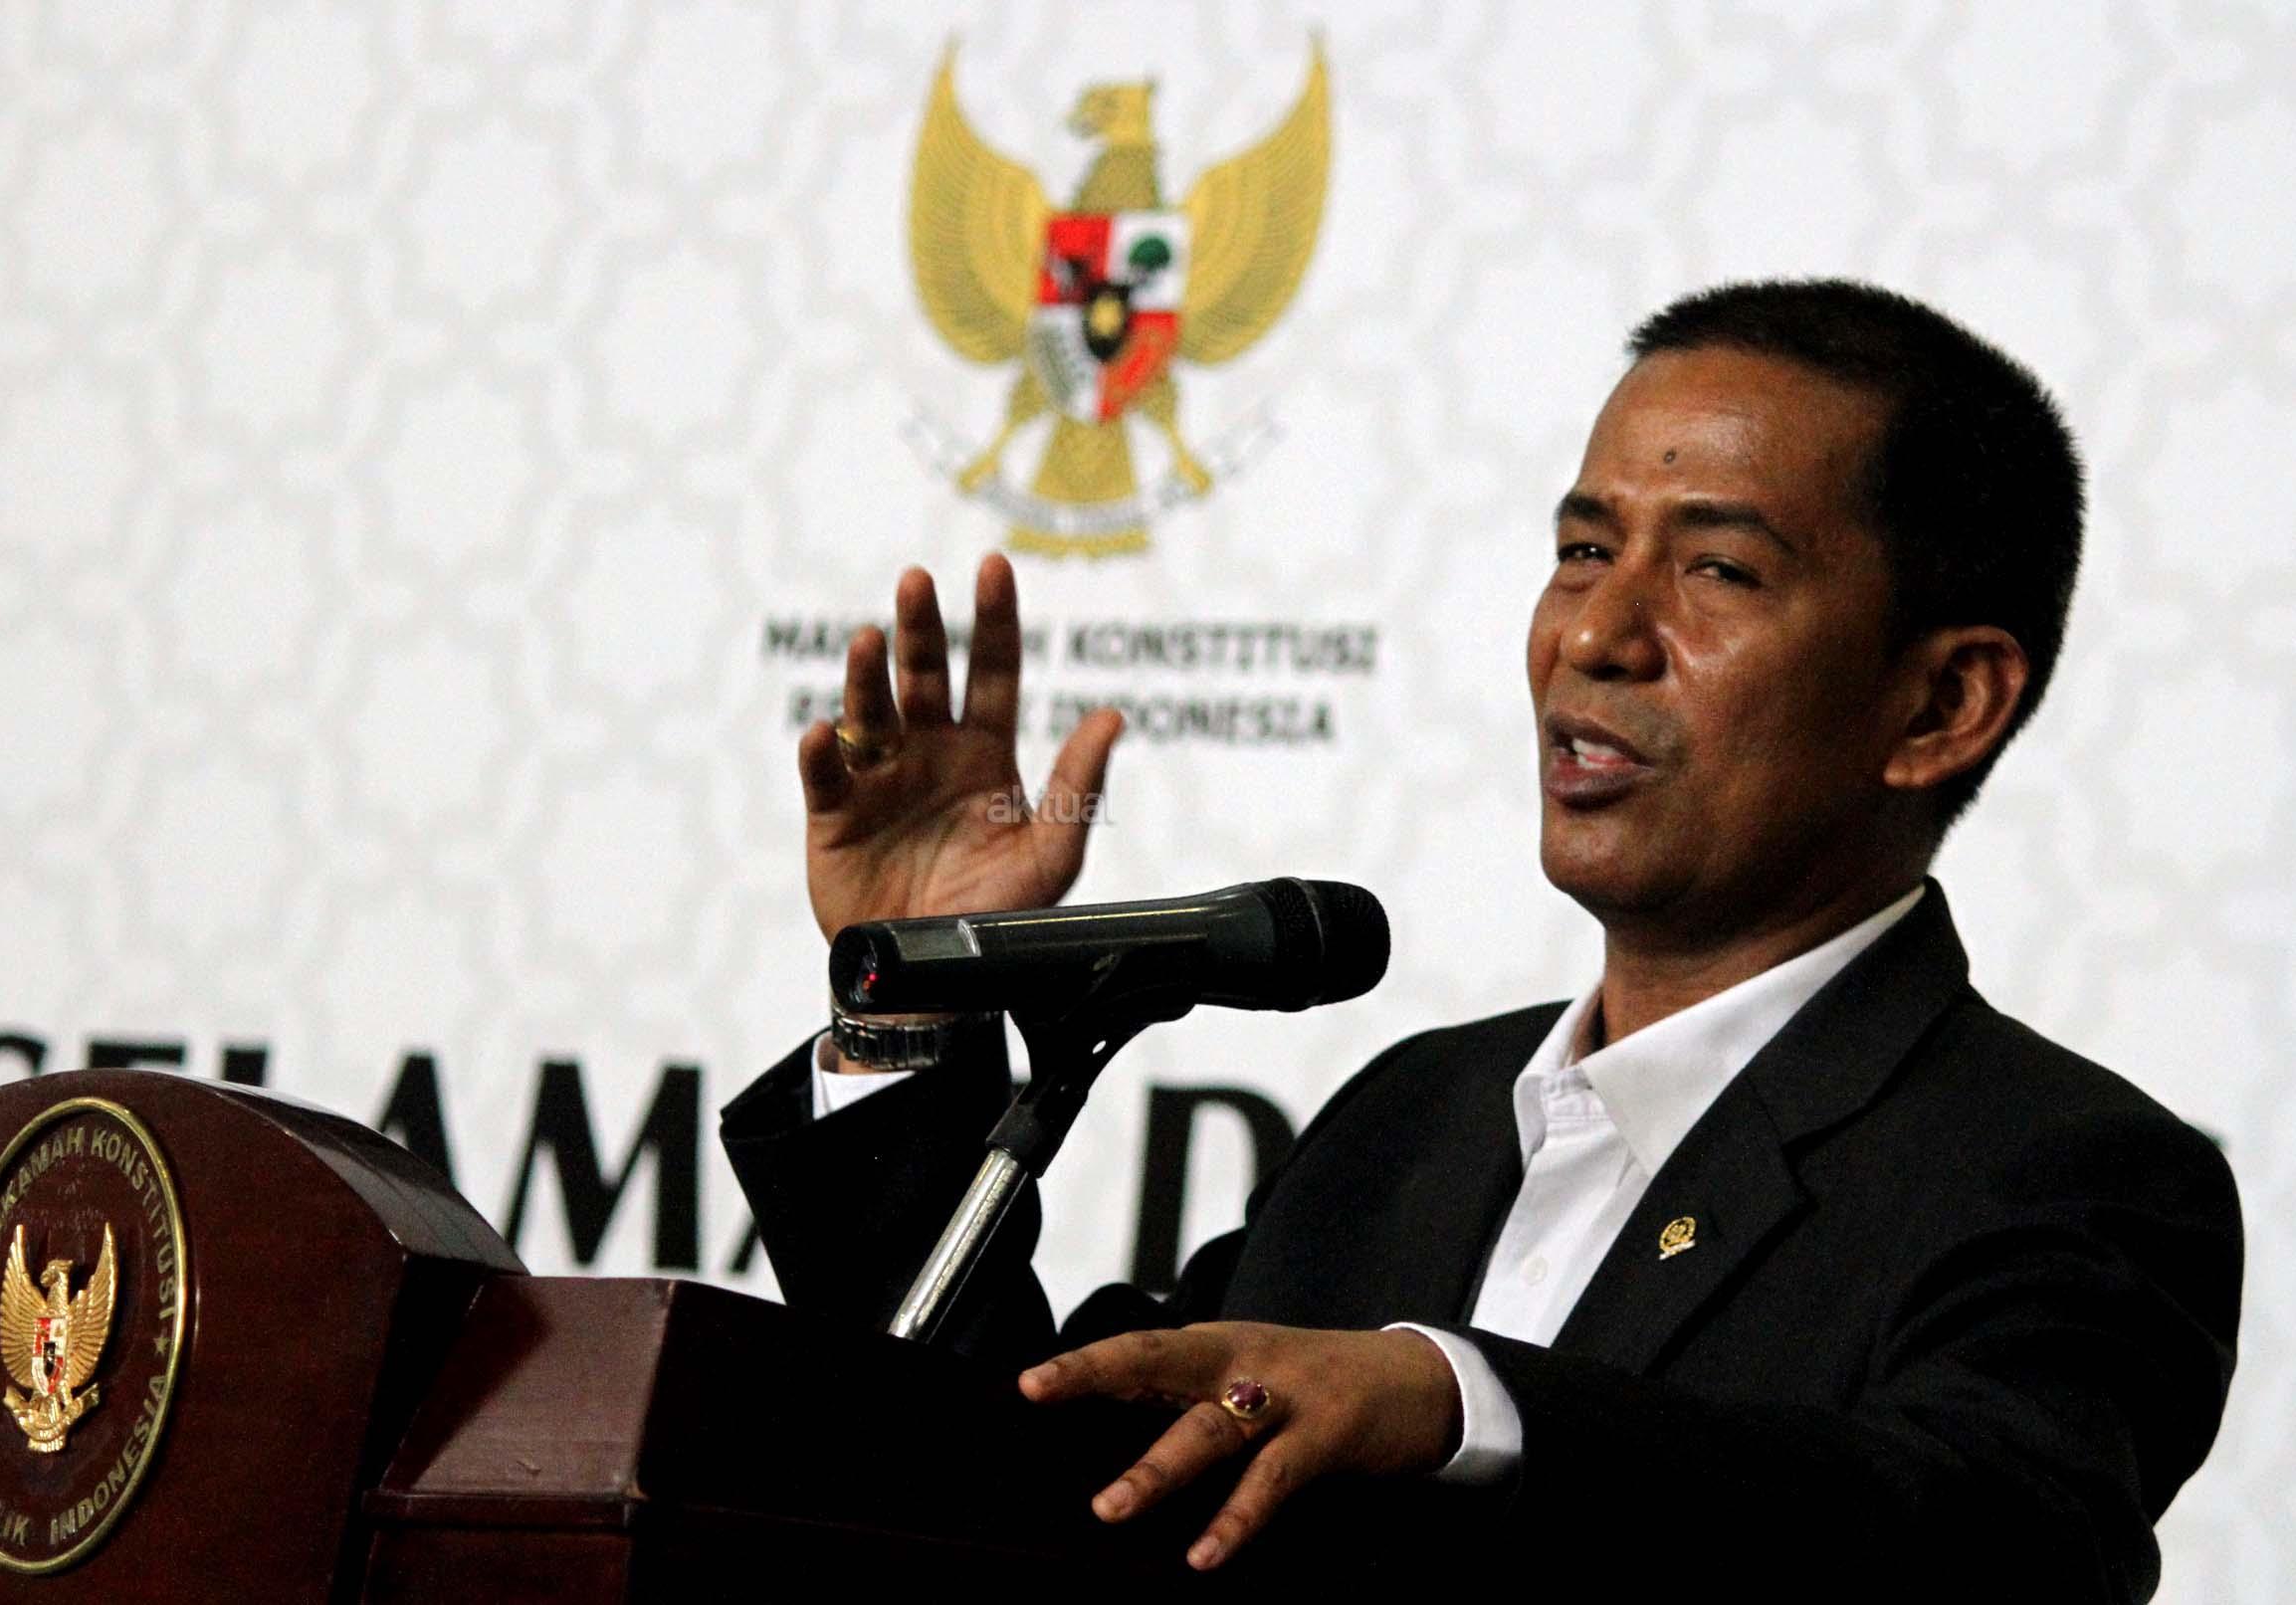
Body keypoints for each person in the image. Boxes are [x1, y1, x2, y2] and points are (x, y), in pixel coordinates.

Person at [721, 281, 2242, 1599]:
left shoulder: (2062, 1171)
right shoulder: (1408, 1122)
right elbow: (1025, 1481)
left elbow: (1989, 1548)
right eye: (1583, 549)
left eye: (1716, 569)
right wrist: (906, 1004)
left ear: (1942, 704)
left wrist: (1462, 1402)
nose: (1597, 634)